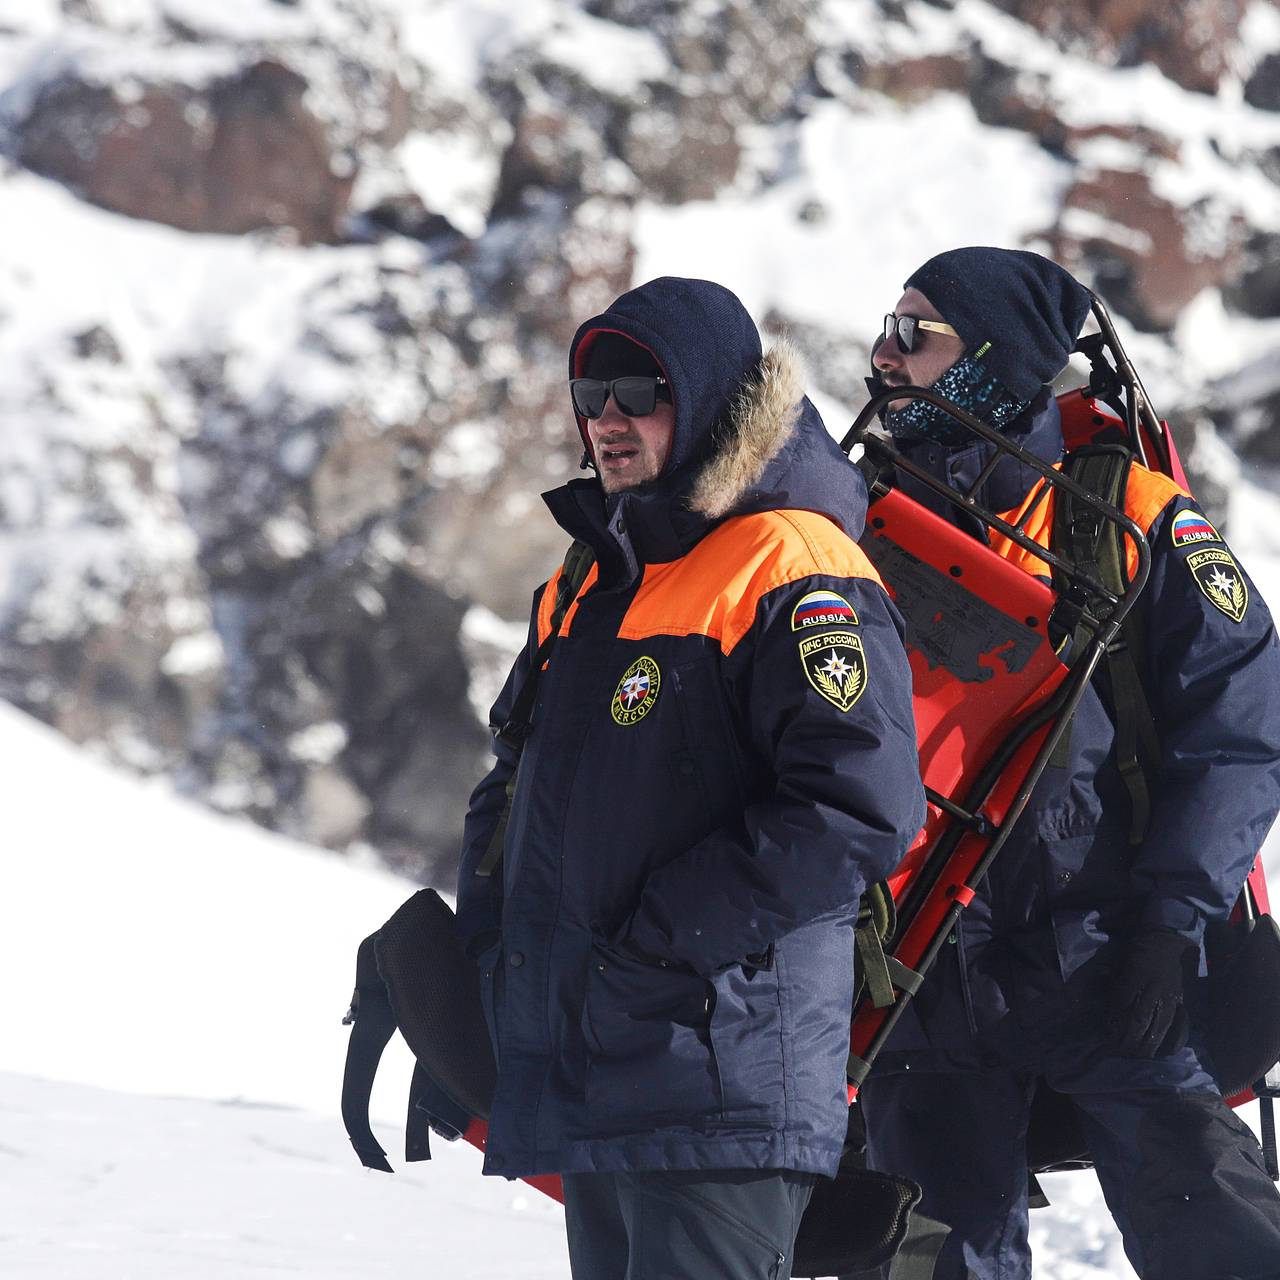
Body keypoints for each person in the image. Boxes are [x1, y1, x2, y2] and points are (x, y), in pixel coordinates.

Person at [453, 276, 925, 1280]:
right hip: (609, 1066)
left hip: (718, 1077)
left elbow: (859, 804)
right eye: (591, 393)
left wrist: (655, 947)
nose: (608, 418)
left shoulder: (791, 560)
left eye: (638, 388)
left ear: (707, 395)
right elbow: (516, 787)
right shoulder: (594, 577)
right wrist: (480, 973)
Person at [856, 246, 1280, 1280]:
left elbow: (1237, 727)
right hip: (920, 977)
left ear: (990, 359)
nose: (881, 354)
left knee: (1214, 1223)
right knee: (927, 1260)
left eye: (915, 334)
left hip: (1100, 957)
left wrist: (1167, 927)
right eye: (887, 327)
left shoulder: (1132, 516)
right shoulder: (847, 524)